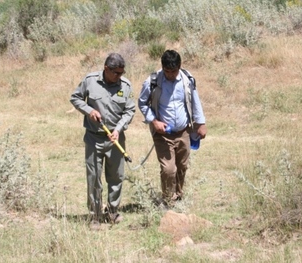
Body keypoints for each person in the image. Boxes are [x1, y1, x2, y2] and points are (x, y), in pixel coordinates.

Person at [70, 53, 135, 230]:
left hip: (116, 139)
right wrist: (89, 110)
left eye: (122, 73)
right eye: (116, 73)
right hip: (94, 138)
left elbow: (130, 111)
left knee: (116, 176)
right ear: (106, 69)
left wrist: (118, 128)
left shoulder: (126, 86)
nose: (119, 76)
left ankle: (113, 211)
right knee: (94, 178)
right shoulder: (90, 81)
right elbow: (75, 98)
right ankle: (95, 216)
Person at [138, 50, 207, 208]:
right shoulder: (153, 81)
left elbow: (195, 101)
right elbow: (142, 103)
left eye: (173, 71)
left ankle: (179, 195)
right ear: (162, 67)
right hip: (163, 133)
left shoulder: (187, 79)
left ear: (179, 67)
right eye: (167, 71)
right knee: (169, 169)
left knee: (182, 165)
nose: (170, 75)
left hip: (184, 131)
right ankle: (168, 201)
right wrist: (154, 121)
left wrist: (200, 123)